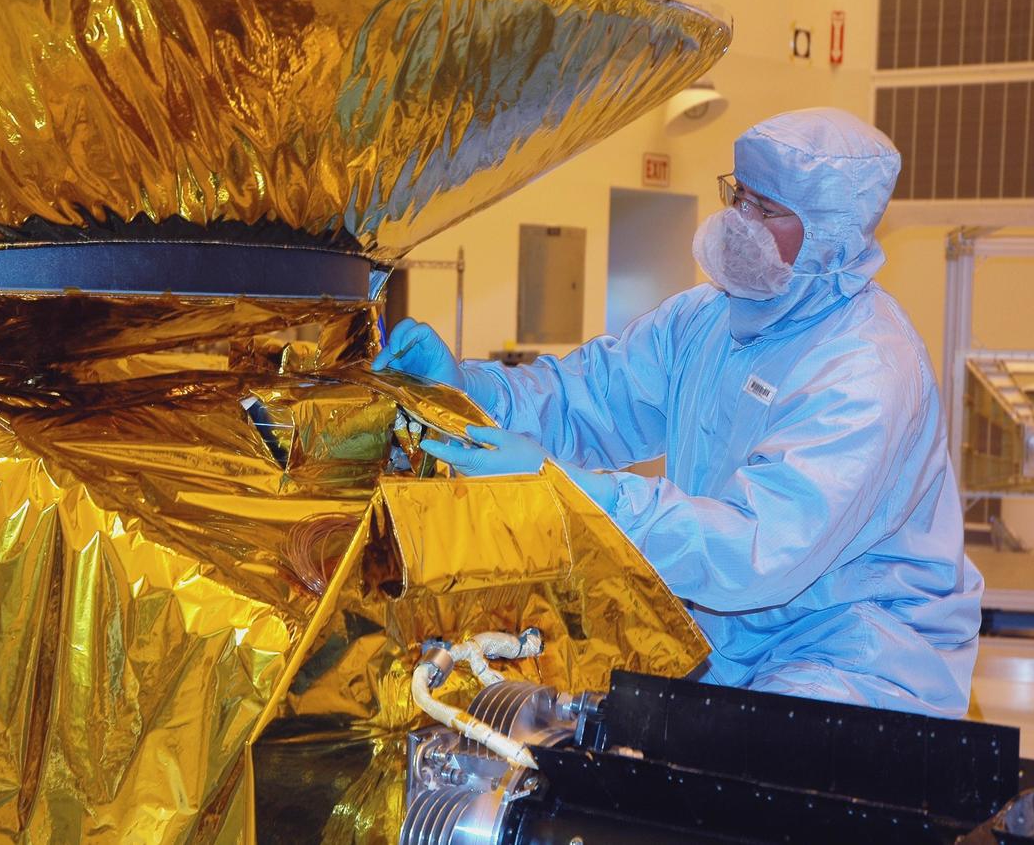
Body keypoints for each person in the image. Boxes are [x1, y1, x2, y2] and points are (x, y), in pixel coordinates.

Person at [372, 107, 982, 718]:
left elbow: (754, 550)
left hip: (856, 660)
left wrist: (579, 495)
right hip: (729, 643)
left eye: (766, 211)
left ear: (832, 234)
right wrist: (469, 389)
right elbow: (590, 397)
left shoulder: (865, 366)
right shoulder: (706, 319)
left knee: (754, 785)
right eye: (738, 196)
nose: (740, 223)